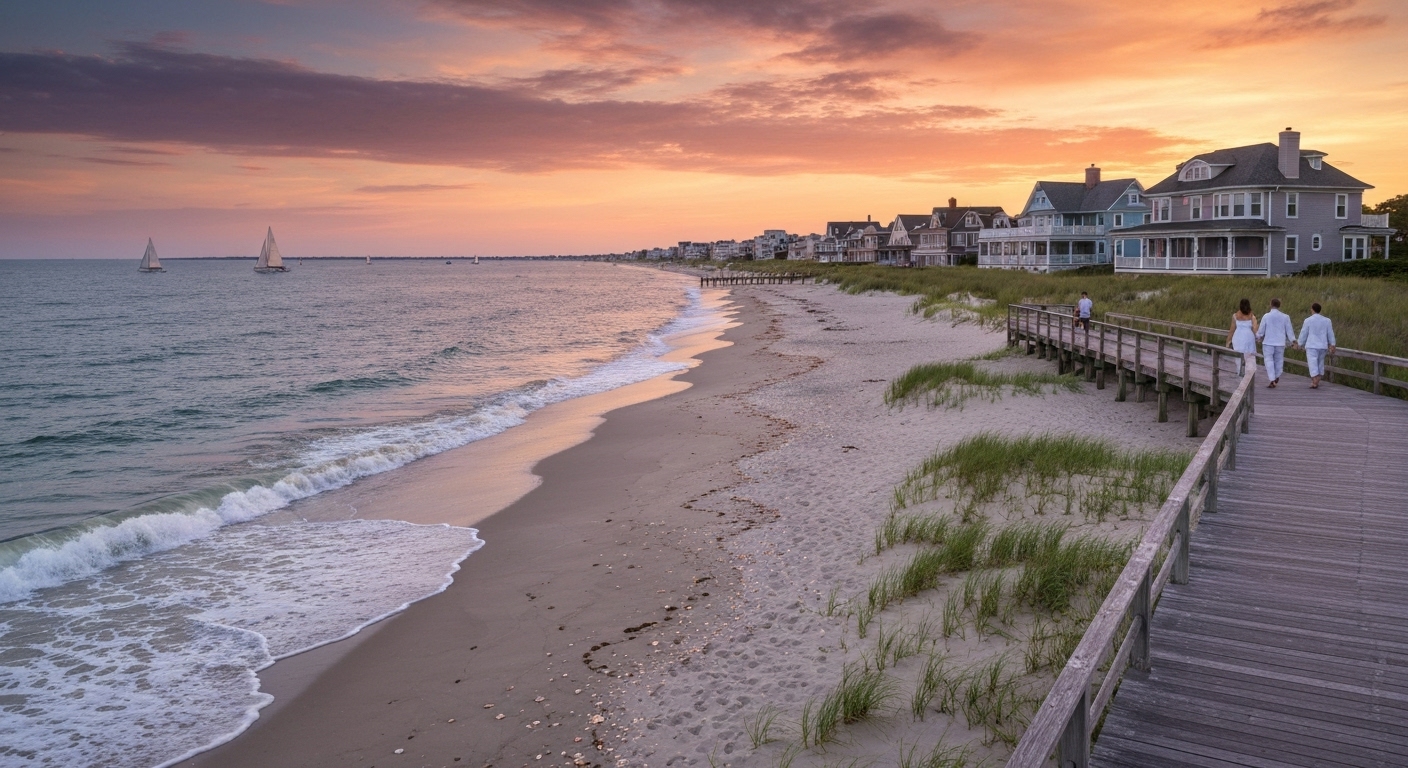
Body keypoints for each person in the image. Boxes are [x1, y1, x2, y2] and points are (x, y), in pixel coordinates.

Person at [1256, 297, 1297, 388]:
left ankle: (1272, 379)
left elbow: (1261, 330)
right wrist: (1293, 340)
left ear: (1271, 305)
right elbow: (1289, 330)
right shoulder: (1285, 317)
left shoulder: (1266, 316)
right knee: (1279, 360)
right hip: (1280, 342)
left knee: (1269, 360)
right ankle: (1277, 375)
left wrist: (1258, 337)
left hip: (1268, 342)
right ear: (1279, 305)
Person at [1297, 302, 1336, 389]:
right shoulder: (1327, 320)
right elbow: (1330, 333)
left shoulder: (1308, 320)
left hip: (1312, 345)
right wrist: (1332, 344)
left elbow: (1304, 333)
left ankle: (1315, 379)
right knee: (1320, 362)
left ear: (1312, 309)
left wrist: (1299, 344)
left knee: (1312, 363)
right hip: (1322, 345)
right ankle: (1317, 378)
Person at [1226, 298, 1258, 374]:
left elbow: (1232, 330)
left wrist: (1228, 340)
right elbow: (1255, 328)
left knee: (1239, 356)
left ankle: (1239, 372)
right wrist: (1258, 337)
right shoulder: (1252, 316)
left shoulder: (1235, 316)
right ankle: (1250, 374)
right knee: (1249, 356)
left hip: (1238, 337)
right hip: (1248, 337)